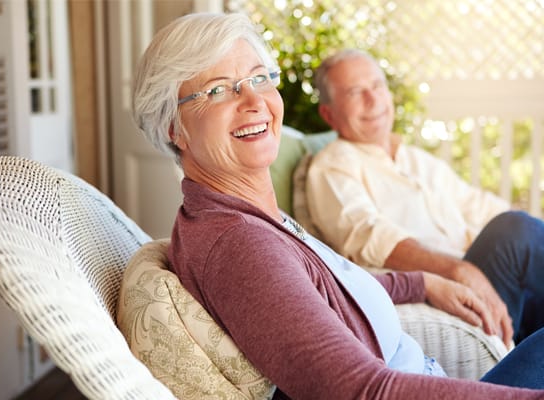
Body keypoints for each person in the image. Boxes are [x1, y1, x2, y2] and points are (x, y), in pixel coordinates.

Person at [130, 11, 544, 399]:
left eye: (259, 79)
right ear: (175, 127)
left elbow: (326, 287)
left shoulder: (248, 216)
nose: (253, 101)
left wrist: (422, 282)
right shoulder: (240, 245)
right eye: (218, 90)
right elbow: (361, 392)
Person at [306, 48, 544, 347]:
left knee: (519, 229)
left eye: (377, 86)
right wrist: (458, 269)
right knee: (515, 229)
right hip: (446, 288)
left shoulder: (418, 160)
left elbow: (482, 207)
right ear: (329, 114)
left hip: (492, 280)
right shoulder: (334, 164)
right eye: (355, 92)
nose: (373, 99)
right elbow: (368, 235)